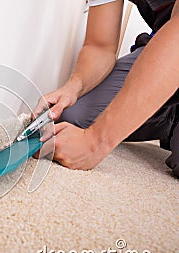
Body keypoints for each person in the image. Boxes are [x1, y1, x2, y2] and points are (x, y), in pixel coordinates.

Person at [33, 0, 179, 176]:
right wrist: (73, 87)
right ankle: (169, 116)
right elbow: (100, 46)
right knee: (72, 116)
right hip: (164, 49)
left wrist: (95, 142)